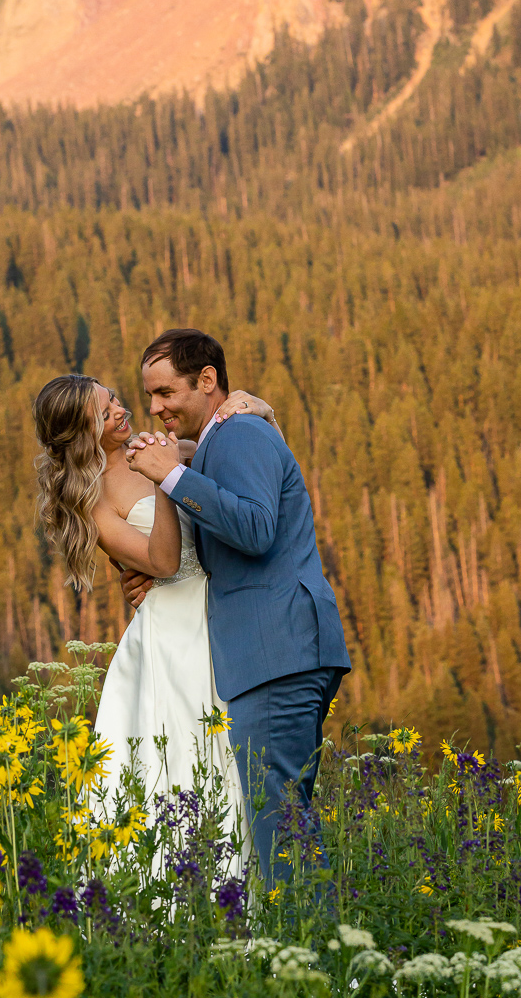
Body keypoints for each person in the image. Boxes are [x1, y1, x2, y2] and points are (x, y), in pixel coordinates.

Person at [122, 328, 350, 884]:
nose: (155, 408)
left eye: (166, 393)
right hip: (276, 654)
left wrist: (170, 475)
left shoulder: (242, 432)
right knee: (282, 823)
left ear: (207, 380)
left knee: (281, 828)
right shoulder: (222, 438)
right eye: (150, 396)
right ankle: (306, 956)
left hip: (278, 653)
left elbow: (253, 528)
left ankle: (312, 965)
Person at [31, 371, 276, 847]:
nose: (121, 410)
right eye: (105, 413)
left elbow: (222, 460)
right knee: (188, 759)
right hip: (172, 637)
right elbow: (161, 562)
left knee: (234, 756)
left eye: (114, 399)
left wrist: (254, 406)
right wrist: (164, 482)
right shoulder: (92, 502)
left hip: (217, 611)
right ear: (85, 434)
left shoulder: (149, 449)